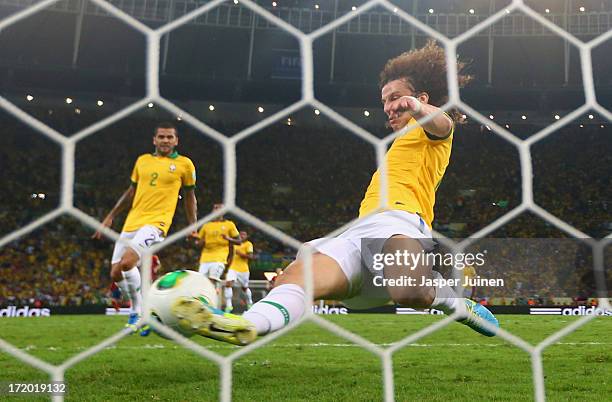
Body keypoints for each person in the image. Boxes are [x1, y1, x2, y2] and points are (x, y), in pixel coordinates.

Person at [172, 41, 499, 346]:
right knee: (295, 278)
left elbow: (443, 124)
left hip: (400, 224)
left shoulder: (433, 135)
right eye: (384, 99)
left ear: (423, 99)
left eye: (395, 97)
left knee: (409, 291)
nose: (388, 106)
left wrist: (414, 107)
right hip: (358, 234)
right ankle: (246, 325)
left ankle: (455, 303)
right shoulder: (397, 144)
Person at [93, 122, 198, 335]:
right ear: (154, 140)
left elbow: (190, 197)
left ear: (176, 141)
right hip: (133, 220)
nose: (165, 140)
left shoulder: (185, 165)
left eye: (170, 137)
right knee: (115, 273)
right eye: (161, 137)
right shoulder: (142, 161)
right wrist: (110, 217)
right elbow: (131, 192)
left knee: (128, 262)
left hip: (157, 222)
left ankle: (139, 311)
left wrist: (192, 226)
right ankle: (141, 311)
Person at [196, 204, 241, 291]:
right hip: (205, 258)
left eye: (219, 208)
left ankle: (211, 300)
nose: (216, 210)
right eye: (215, 208)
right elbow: (198, 244)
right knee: (201, 281)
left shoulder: (229, 224)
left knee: (212, 280)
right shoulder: (206, 226)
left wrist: (228, 239)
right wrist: (197, 241)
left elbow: (239, 241)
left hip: (220, 257)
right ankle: (207, 298)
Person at [224, 231, 255, 312]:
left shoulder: (248, 244)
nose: (242, 236)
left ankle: (249, 302)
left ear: (247, 236)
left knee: (244, 288)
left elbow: (251, 257)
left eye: (244, 234)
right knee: (228, 284)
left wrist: (240, 254)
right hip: (233, 268)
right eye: (240, 234)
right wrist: (227, 265)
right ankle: (228, 306)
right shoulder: (234, 244)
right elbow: (231, 255)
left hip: (243, 269)